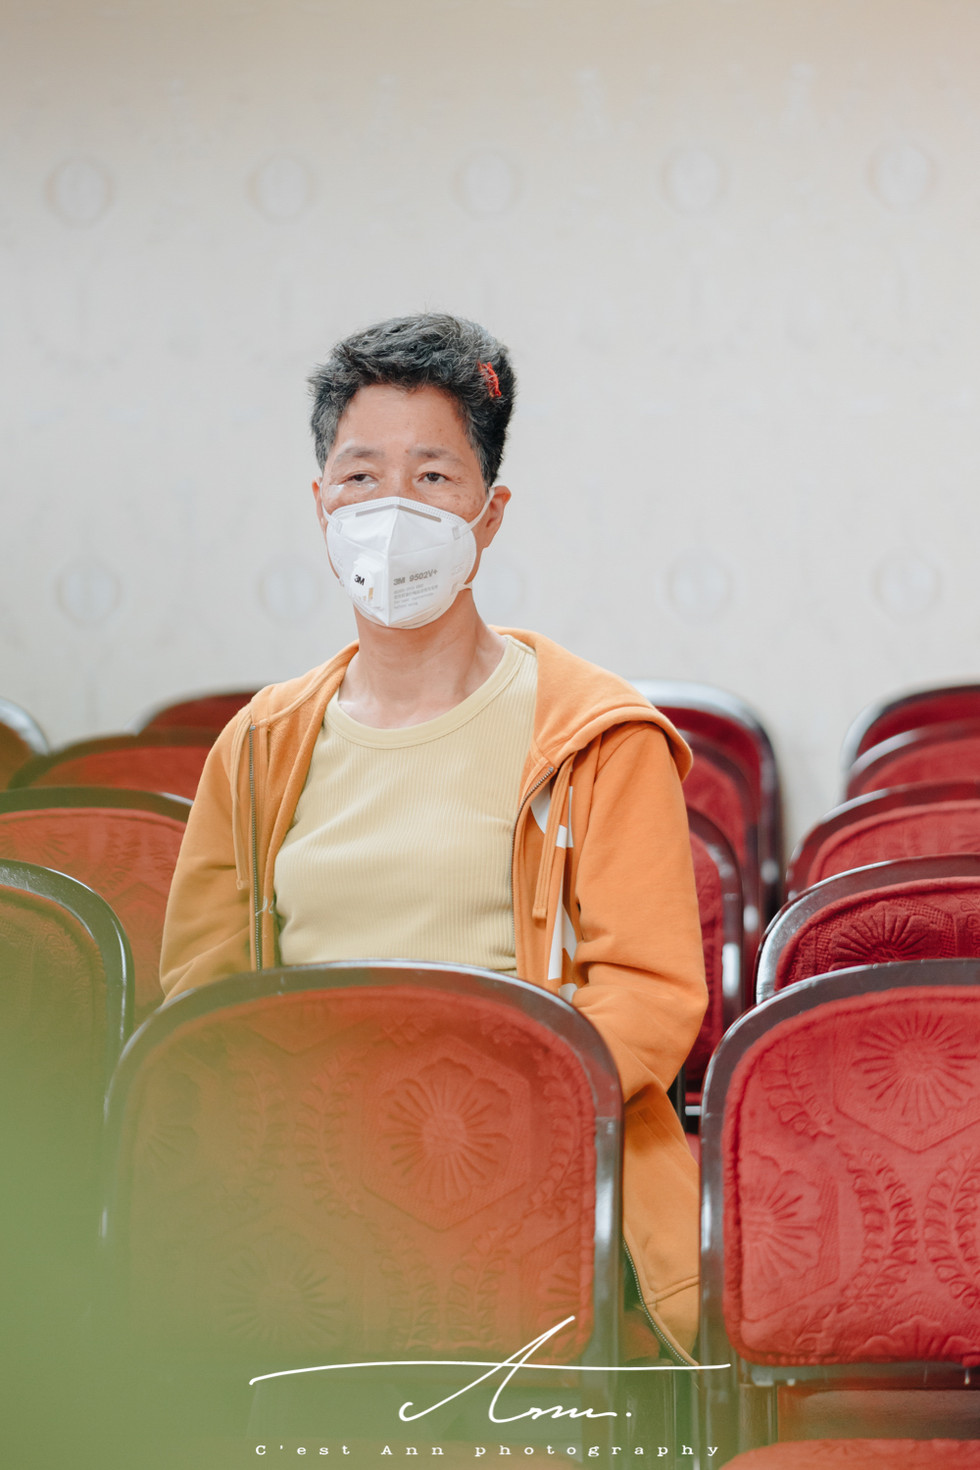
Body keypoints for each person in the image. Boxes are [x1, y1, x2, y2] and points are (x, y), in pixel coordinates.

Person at [159, 312, 708, 1359]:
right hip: (302, 1195)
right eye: (361, 476)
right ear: (320, 503)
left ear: (490, 514)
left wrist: (472, 1118)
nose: (391, 511)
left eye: (433, 477)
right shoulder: (259, 745)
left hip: (537, 1182)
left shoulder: (598, 737)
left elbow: (649, 995)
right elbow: (203, 997)